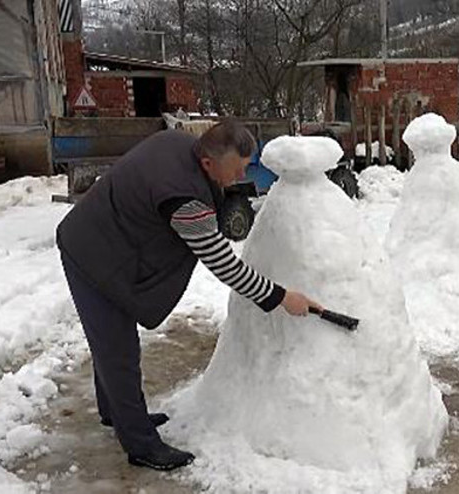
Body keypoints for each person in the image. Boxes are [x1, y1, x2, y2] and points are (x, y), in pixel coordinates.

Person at [56, 120, 321, 471]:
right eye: (239, 168)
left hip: (111, 237)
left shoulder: (180, 143)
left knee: (113, 346)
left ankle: (115, 413)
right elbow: (224, 264)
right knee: (116, 349)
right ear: (209, 163)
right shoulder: (184, 199)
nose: (244, 175)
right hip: (91, 255)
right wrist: (281, 297)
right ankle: (141, 445)